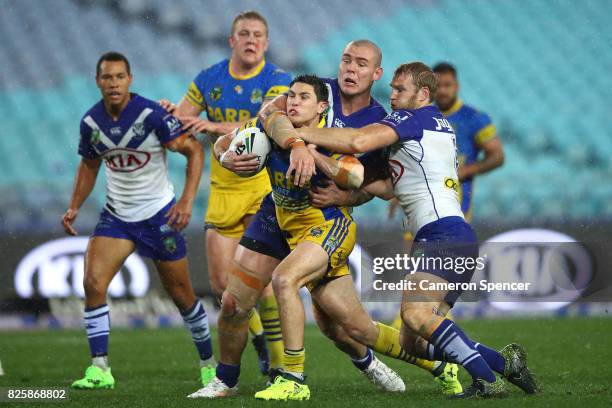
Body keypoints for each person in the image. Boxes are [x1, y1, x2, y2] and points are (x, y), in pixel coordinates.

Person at [188, 41, 460, 399]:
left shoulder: (381, 123)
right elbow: (267, 115)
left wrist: (347, 196)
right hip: (276, 214)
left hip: (323, 219)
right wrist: (284, 148)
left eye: (361, 64)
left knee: (348, 327)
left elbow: (382, 184)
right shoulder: (315, 90)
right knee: (234, 303)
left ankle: (427, 365)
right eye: (347, 60)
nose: (350, 68)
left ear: (376, 74)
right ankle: (225, 380)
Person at [289, 62, 538, 399]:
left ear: (422, 94)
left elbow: (358, 139)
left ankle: (486, 380)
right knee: (412, 341)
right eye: (390, 89)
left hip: (445, 236)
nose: (391, 96)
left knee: (415, 313)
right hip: (443, 237)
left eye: (399, 90)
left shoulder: (414, 118)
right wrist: (345, 194)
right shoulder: (424, 128)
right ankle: (505, 364)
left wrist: (300, 135)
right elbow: (385, 186)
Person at [63, 52, 213, 389]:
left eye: (119, 77)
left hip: (160, 215)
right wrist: (74, 206)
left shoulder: (150, 115)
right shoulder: (90, 123)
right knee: (93, 283)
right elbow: (89, 165)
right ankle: (100, 369)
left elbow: (194, 150)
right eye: (107, 77)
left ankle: (208, 364)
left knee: (183, 296)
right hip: (117, 216)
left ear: (129, 79)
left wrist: (187, 200)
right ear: (97, 81)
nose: (113, 83)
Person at [163, 10, 292, 376]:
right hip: (223, 188)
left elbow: (266, 124)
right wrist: (172, 116)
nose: (251, 40)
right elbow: (183, 125)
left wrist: (211, 125)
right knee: (224, 287)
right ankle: (259, 340)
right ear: (231, 41)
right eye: (244, 34)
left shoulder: (278, 80)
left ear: (266, 43)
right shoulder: (209, 79)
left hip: (263, 186)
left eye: (258, 35)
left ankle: (279, 361)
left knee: (258, 278)